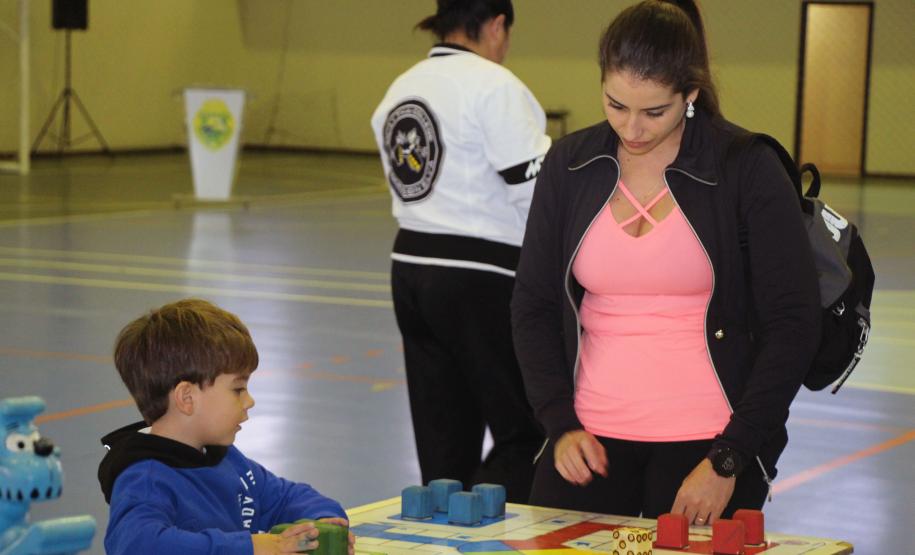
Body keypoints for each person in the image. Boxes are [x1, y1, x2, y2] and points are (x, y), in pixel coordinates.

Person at [511, 0, 821, 524]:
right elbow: (533, 305)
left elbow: (794, 322)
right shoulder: (570, 165)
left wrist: (729, 459)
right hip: (589, 441)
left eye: (654, 111)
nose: (632, 128)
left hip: (709, 445)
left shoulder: (747, 167)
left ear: (691, 93)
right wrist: (559, 423)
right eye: (616, 105)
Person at [370, 0, 550, 502]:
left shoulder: (399, 88)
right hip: (480, 273)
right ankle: (476, 522)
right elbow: (533, 190)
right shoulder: (494, 85)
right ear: (496, 26)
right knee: (529, 433)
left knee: (443, 444)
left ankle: (445, 532)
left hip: (409, 267)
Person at [98, 299, 356, 555]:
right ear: (187, 398)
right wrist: (249, 548)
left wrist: (320, 523)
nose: (250, 400)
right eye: (238, 389)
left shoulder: (227, 460)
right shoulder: (146, 478)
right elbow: (139, 545)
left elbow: (287, 497)